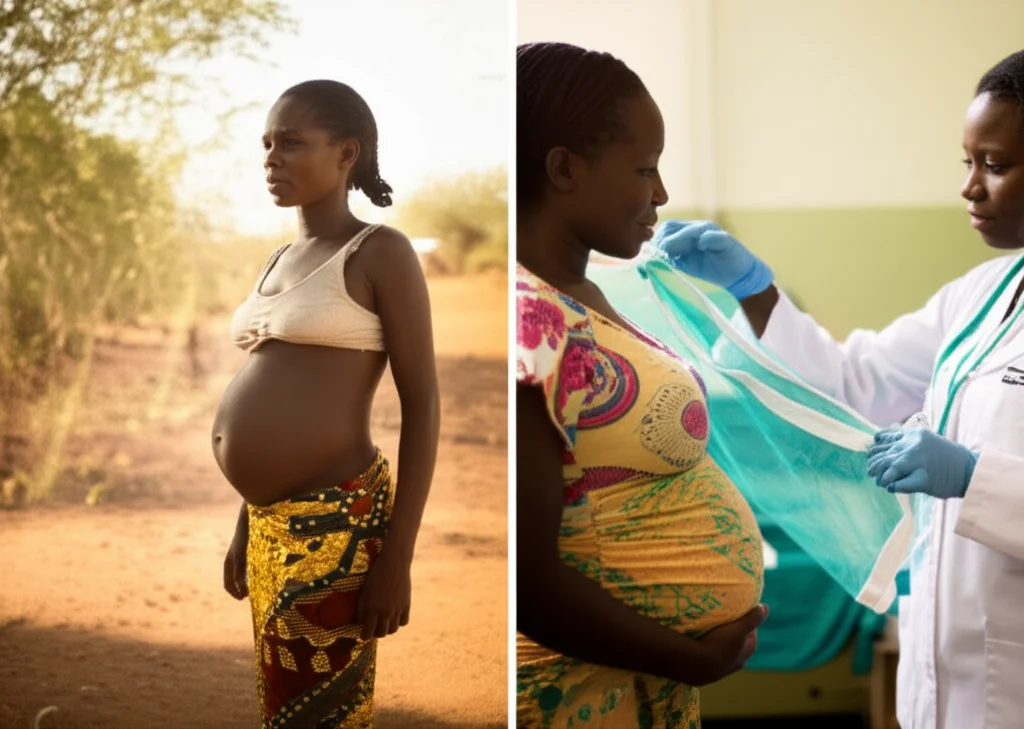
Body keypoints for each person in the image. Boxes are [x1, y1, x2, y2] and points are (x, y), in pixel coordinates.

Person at [655, 49, 1024, 729]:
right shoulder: (979, 295)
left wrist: (976, 479)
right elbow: (856, 383)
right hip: (942, 679)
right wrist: (756, 290)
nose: (970, 188)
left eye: (995, 166)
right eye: (967, 163)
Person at [516, 41, 768, 729]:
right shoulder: (527, 316)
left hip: (629, 685)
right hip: (565, 694)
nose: (659, 194)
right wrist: (691, 659)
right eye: (645, 169)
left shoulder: (582, 293)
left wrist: (760, 291)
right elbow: (526, 579)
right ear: (564, 169)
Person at [211, 79, 440, 729]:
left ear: (346, 153)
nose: (270, 158)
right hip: (269, 522)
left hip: (337, 525)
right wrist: (245, 517)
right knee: (282, 705)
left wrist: (398, 558)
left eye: (290, 142)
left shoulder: (380, 253)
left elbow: (422, 404)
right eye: (265, 144)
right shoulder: (280, 259)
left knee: (321, 714)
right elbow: (268, 385)